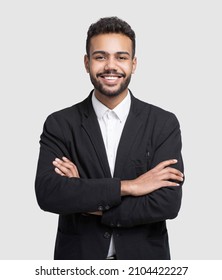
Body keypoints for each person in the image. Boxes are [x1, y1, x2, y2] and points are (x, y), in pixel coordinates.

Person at [35, 16, 184, 260]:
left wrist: (85, 200)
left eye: (121, 57)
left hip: (145, 264)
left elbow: (167, 203)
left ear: (133, 64)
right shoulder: (60, 124)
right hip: (79, 262)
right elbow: (49, 193)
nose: (110, 66)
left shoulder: (163, 123)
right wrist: (132, 186)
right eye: (100, 56)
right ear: (87, 62)